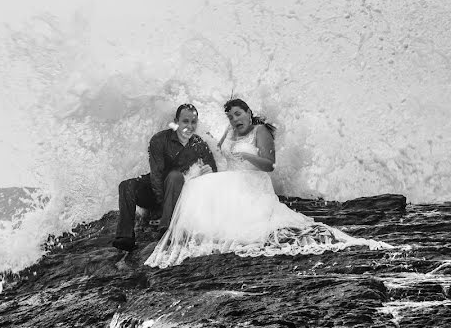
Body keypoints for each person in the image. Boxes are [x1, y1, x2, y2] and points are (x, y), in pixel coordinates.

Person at [145, 98, 390, 267]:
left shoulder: (260, 131)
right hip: (231, 180)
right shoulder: (230, 133)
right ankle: (184, 229)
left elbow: (270, 166)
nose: (234, 120)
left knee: (233, 213)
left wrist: (250, 156)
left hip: (253, 182)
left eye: (238, 114)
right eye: (230, 117)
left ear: (249, 113)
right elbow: (220, 152)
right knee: (198, 185)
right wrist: (208, 157)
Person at [112, 104, 217, 252]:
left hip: (178, 195)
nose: (190, 126)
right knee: (126, 185)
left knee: (175, 176)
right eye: (185, 121)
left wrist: (209, 171)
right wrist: (161, 207)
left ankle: (166, 228)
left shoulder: (200, 145)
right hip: (156, 192)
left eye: (193, 122)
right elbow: (156, 175)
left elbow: (214, 173)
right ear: (176, 121)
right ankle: (125, 236)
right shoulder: (159, 139)